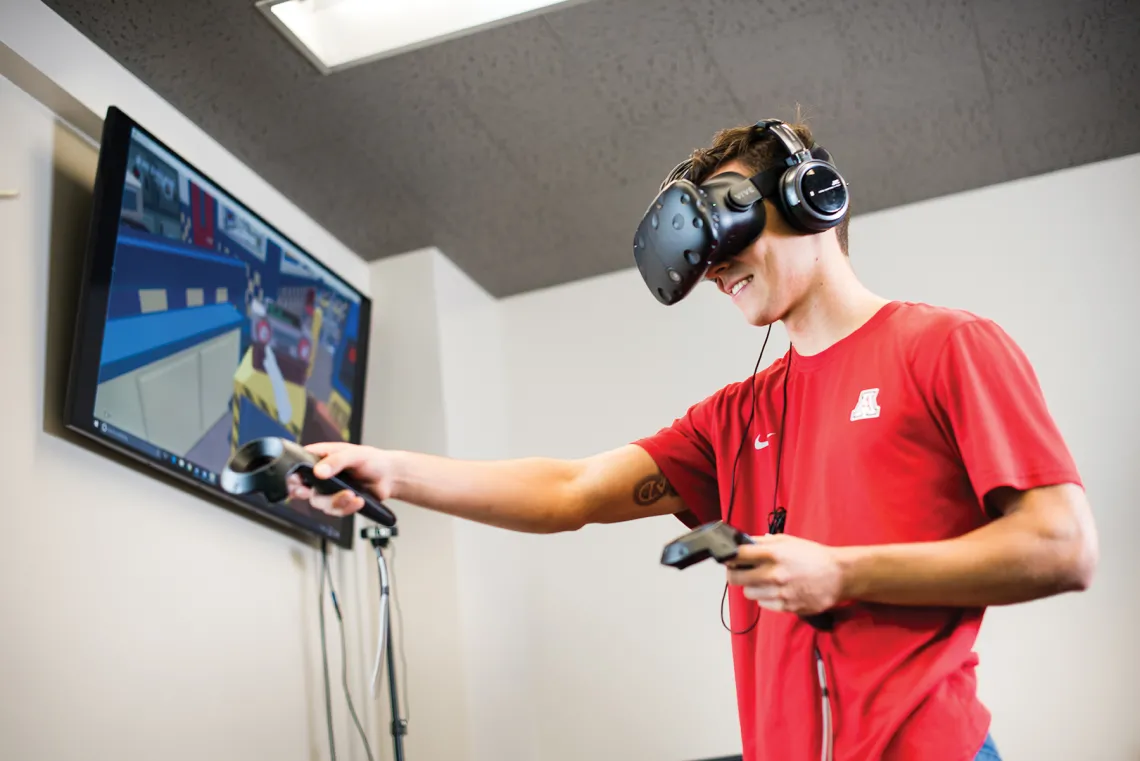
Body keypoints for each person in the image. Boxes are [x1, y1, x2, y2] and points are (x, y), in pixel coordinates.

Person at [288, 118, 1098, 761]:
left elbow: (1062, 545)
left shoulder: (945, 346)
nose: (715, 268)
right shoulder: (734, 419)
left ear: (812, 198)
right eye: (703, 251)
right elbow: (571, 492)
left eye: (729, 231)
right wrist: (391, 470)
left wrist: (842, 571)